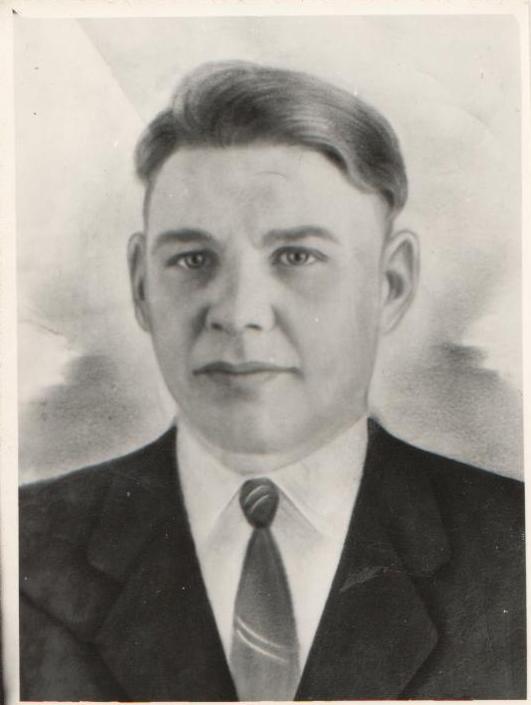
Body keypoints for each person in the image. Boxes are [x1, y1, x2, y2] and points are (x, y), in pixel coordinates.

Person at [19, 61, 525, 701]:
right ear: (142, 286)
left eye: (296, 256)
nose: (237, 313)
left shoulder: (515, 549)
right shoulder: (24, 546)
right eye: (192, 259)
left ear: (390, 284)